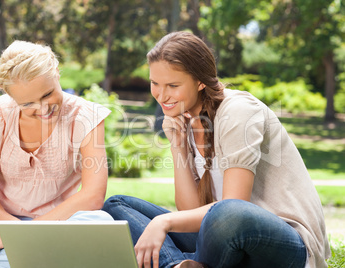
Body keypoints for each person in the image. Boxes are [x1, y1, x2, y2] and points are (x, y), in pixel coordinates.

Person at [103, 31, 330, 268]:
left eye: (173, 85)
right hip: (224, 235)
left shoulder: (238, 111)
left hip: (285, 242)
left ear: (200, 82)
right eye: (155, 83)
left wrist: (164, 222)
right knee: (117, 205)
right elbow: (192, 212)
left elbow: (234, 207)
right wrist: (178, 147)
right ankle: (177, 266)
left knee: (226, 213)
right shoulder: (187, 119)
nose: (161, 95)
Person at [0, 40, 113, 268]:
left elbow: (92, 196)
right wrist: (12, 231)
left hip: (59, 226)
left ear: (56, 74)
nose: (43, 109)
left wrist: (22, 236)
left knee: (99, 223)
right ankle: (40, 261)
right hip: (0, 225)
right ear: (11, 97)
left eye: (47, 94)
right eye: (27, 103)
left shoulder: (87, 116)